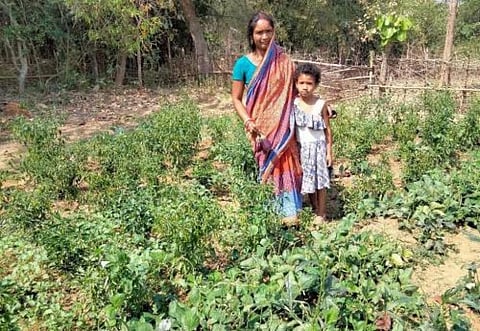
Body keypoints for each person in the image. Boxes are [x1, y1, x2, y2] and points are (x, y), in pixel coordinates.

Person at [231, 11, 302, 222]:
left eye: (268, 31)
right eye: (259, 32)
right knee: (263, 166)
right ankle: (265, 213)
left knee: (284, 161)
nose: (264, 37)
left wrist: (320, 107)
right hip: (258, 129)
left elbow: (297, 92)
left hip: (283, 128)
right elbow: (236, 99)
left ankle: (290, 212)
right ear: (251, 35)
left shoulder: (284, 62)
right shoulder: (242, 64)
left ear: (274, 32)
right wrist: (248, 121)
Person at [292, 63, 333, 223]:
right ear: (296, 84)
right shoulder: (293, 104)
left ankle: (321, 213)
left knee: (320, 181)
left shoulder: (321, 104)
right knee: (307, 178)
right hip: (302, 148)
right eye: (301, 83)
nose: (305, 87)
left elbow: (327, 130)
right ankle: (314, 205)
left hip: (318, 148)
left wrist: (329, 151)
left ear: (316, 85)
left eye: (309, 83)